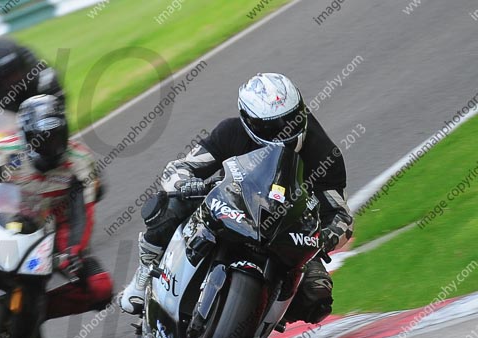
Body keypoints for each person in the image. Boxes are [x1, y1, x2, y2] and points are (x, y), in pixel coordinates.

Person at [119, 73, 353, 324]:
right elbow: (181, 167)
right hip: (230, 205)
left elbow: (341, 216)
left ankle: (258, 322)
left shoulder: (324, 154)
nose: (284, 131)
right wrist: (185, 184)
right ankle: (145, 271)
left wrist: (324, 237)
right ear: (249, 121)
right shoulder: (231, 132)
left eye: (292, 119)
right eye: (272, 127)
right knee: (170, 204)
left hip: (286, 229)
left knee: (316, 296)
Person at [0, 94, 112, 333]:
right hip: (1, 216)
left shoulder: (80, 161)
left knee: (100, 288)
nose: (51, 144)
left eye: (56, 135)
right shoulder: (6, 151)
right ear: (26, 136)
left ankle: (34, 313)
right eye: (42, 138)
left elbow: (82, 214)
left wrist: (74, 250)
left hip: (56, 228)